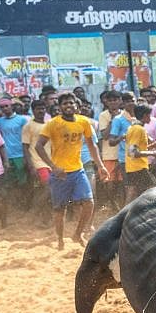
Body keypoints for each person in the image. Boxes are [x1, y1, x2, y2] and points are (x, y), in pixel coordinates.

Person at [36, 94, 102, 249]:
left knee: (89, 203)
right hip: (60, 174)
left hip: (78, 170)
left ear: (76, 105)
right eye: (65, 103)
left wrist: (100, 165)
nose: (69, 106)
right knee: (60, 209)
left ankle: (77, 234)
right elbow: (38, 146)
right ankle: (60, 240)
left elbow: (92, 146)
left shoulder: (83, 121)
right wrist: (53, 166)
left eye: (71, 103)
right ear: (60, 107)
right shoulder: (53, 124)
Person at [123, 103, 156, 203]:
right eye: (149, 115)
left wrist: (154, 145)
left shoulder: (134, 128)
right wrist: (154, 153)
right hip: (138, 168)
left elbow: (140, 148)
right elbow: (133, 153)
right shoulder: (139, 129)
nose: (150, 118)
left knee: (133, 195)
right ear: (145, 115)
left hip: (132, 167)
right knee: (155, 190)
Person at [0, 98, 29, 197]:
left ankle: (25, 201)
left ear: (12, 106)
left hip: (20, 154)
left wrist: (26, 157)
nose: (4, 108)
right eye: (2, 107)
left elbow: (26, 139)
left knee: (23, 181)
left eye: (6, 106)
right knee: (10, 182)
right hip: (7, 156)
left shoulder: (22, 120)